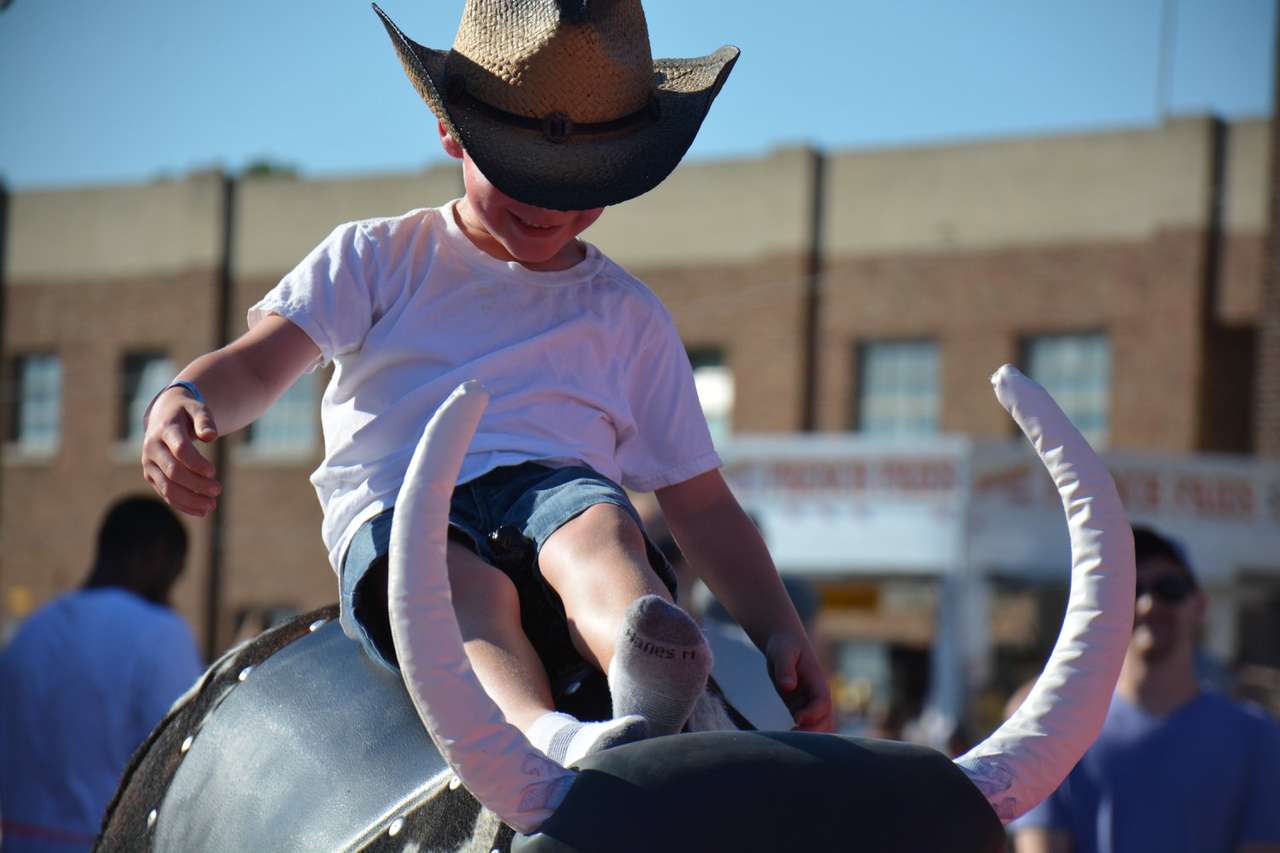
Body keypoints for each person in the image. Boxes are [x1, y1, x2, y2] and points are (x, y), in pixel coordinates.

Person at [140, 0, 831, 770]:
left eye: (582, 181)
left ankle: (650, 665)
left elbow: (699, 501)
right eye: (523, 172)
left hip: (556, 487)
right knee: (456, 589)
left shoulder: (625, 313)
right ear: (451, 132)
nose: (549, 204)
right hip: (408, 505)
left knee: (601, 531)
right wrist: (188, 400)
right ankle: (541, 732)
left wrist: (776, 625)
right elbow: (259, 362)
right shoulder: (378, 257)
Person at [1011, 525, 1280, 853]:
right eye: (1131, 591)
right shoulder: (1057, 735)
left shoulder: (1257, 738)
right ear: (1108, 609)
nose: (1149, 604)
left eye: (1170, 588)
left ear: (1199, 605)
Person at [0, 496, 203, 852]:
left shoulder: (30, 633)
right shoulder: (158, 632)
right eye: (174, 573)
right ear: (155, 556)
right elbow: (186, 762)